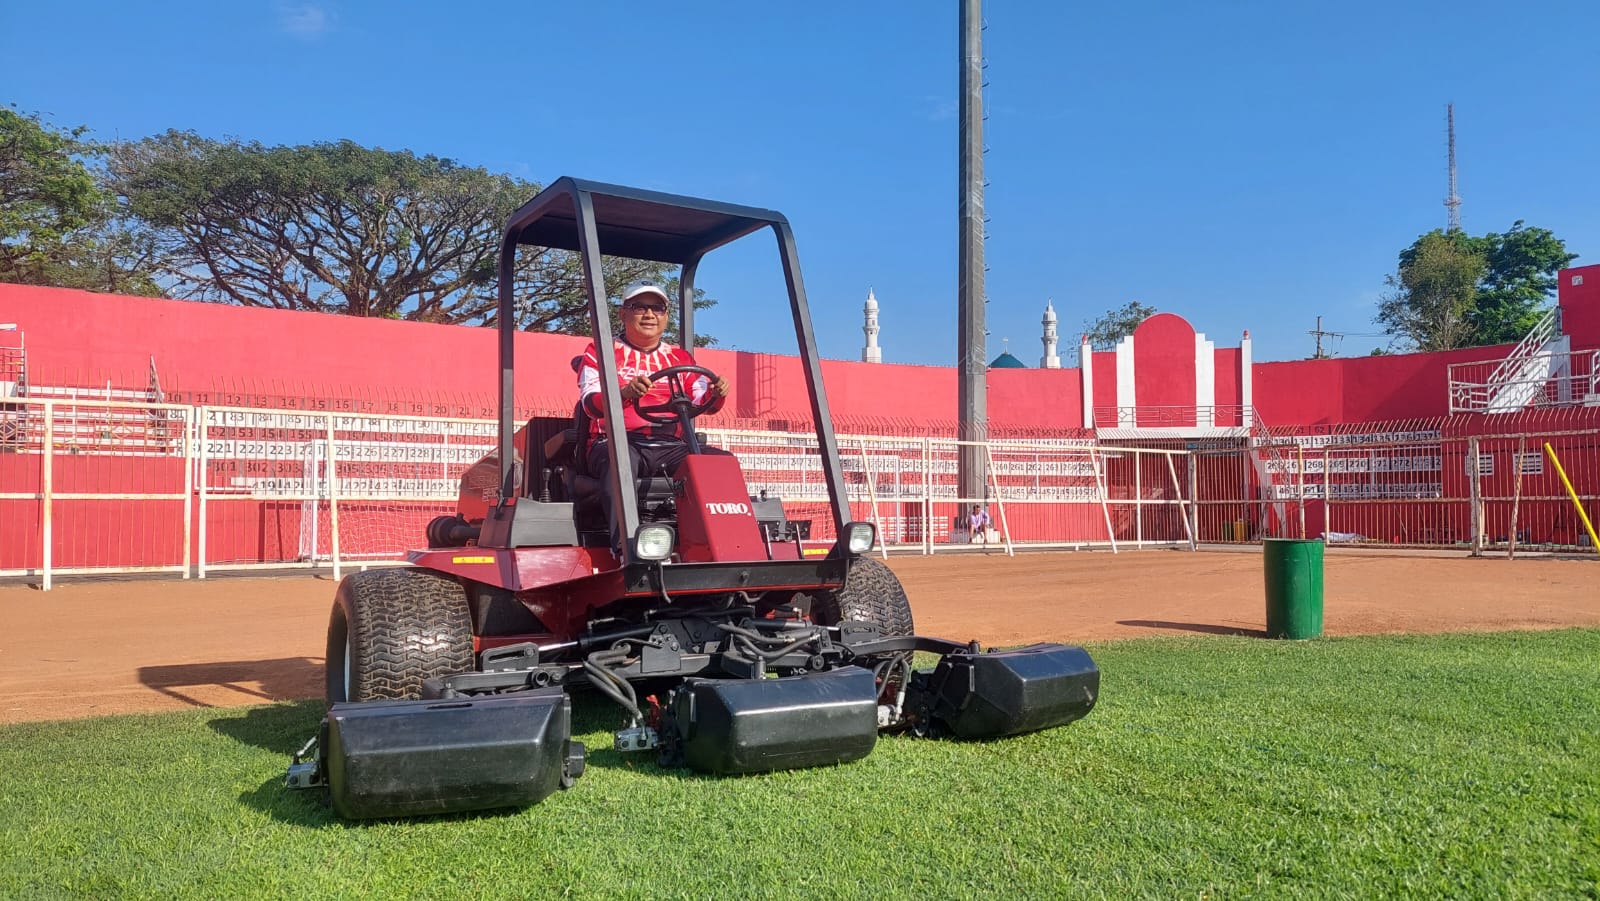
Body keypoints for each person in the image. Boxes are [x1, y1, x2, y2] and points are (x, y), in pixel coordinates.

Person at [577, 281, 731, 552]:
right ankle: (626, 549)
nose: (649, 315)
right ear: (623, 314)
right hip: (616, 442)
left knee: (721, 463)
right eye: (639, 307)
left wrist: (717, 393)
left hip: (670, 446)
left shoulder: (679, 357)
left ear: (666, 316)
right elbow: (590, 404)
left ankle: (722, 545)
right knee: (619, 460)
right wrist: (624, 393)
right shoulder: (600, 352)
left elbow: (700, 399)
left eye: (657, 308)